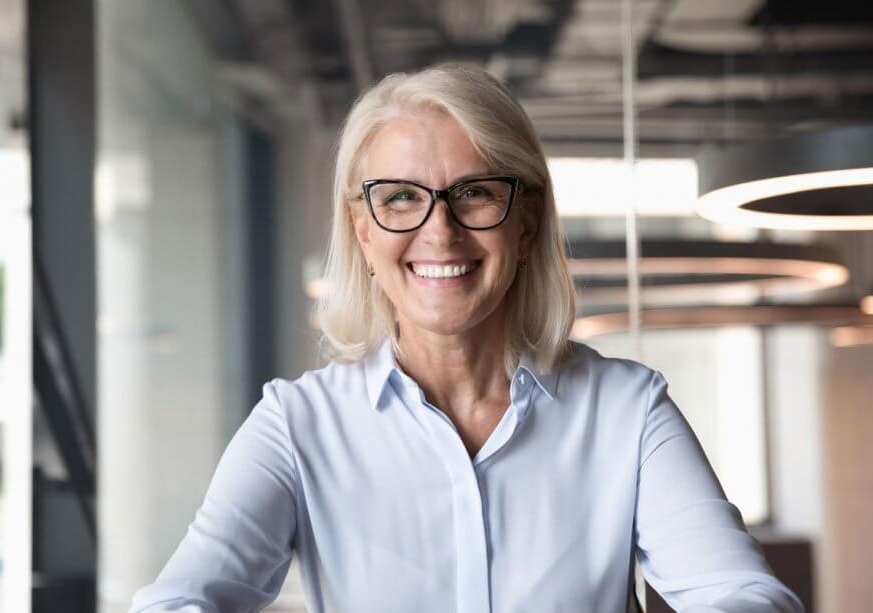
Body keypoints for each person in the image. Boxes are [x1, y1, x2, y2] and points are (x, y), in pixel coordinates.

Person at [129, 64, 803, 613]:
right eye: (399, 198)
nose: (440, 232)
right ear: (362, 230)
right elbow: (175, 602)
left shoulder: (627, 411)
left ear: (527, 218)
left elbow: (746, 596)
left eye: (475, 192)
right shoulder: (297, 426)